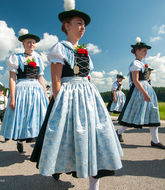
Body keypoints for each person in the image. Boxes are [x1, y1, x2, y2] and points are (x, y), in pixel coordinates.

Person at [30, 1, 123, 189]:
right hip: (67, 95)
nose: (83, 28)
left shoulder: (86, 52)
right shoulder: (59, 48)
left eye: (84, 25)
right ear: (67, 25)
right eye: (79, 23)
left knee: (95, 136)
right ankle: (57, 166)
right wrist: (58, 103)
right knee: (64, 137)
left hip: (88, 95)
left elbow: (87, 77)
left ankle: (94, 184)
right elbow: (55, 79)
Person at [0, 29, 49, 153]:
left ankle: (36, 145)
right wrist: (12, 97)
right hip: (22, 89)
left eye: (33, 42)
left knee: (38, 116)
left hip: (37, 91)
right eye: (28, 42)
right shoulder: (16, 58)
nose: (31, 44)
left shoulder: (38, 60)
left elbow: (41, 79)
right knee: (23, 116)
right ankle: (20, 140)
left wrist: (46, 97)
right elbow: (12, 79)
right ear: (23, 44)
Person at [117, 37, 165, 149]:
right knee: (133, 114)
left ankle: (155, 140)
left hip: (146, 89)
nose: (146, 52)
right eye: (144, 50)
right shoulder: (135, 63)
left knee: (153, 113)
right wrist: (144, 93)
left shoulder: (142, 64)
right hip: (139, 92)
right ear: (137, 51)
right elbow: (135, 80)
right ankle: (119, 132)